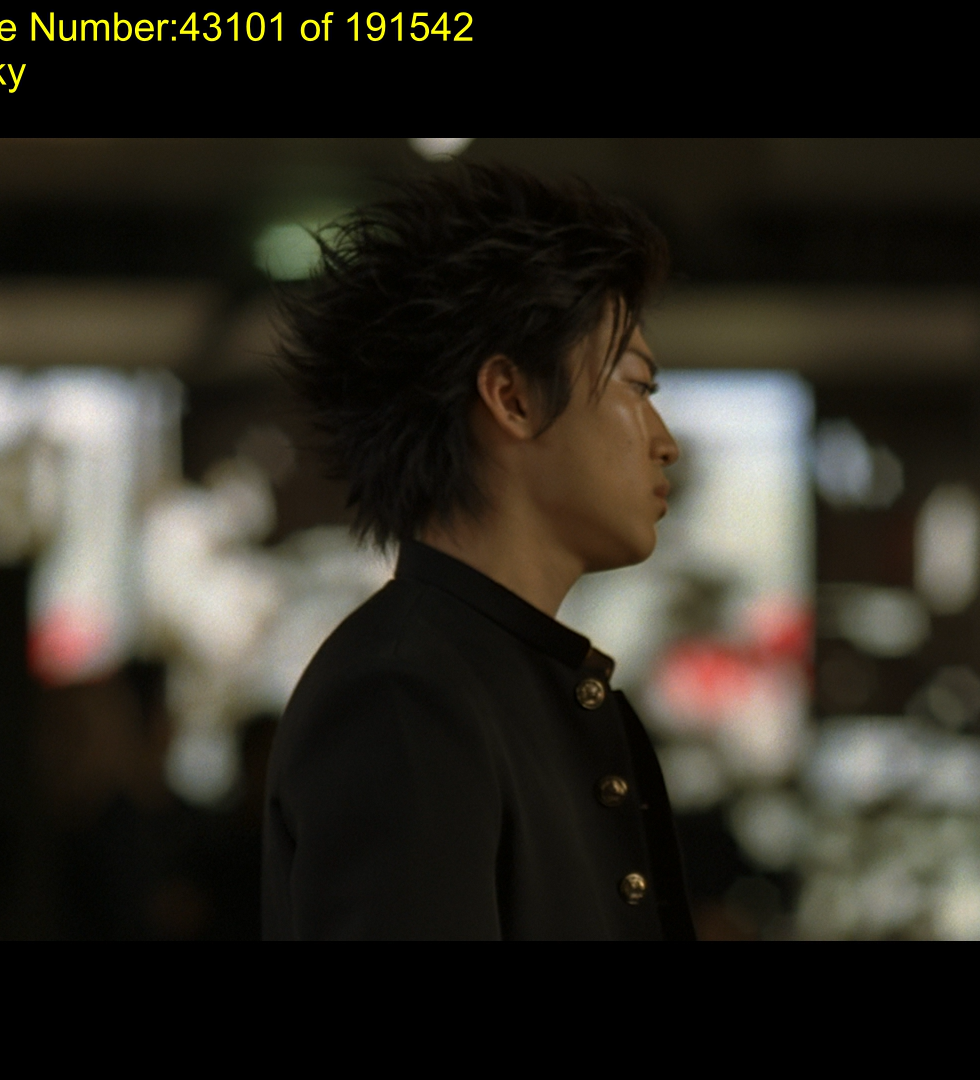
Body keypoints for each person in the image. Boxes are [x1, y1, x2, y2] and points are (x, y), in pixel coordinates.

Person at [265, 164, 694, 939]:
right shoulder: (402, 694)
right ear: (512, 397)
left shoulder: (484, 678)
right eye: (638, 388)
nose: (664, 443)